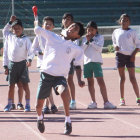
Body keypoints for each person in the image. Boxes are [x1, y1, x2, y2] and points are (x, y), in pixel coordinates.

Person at [34, 19, 85, 135]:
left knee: (63, 91)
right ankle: (40, 118)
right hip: (46, 74)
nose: (72, 27)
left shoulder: (76, 49)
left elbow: (78, 65)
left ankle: (68, 120)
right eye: (72, 25)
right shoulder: (53, 36)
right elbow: (39, 30)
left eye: (75, 28)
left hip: (60, 77)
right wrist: (36, 26)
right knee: (38, 105)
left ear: (77, 36)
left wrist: (79, 79)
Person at [81, 21, 117, 109]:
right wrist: (87, 41)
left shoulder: (100, 37)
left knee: (101, 81)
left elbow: (99, 48)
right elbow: (82, 50)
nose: (90, 32)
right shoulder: (85, 39)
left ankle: (106, 102)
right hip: (86, 62)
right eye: (88, 30)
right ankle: (93, 102)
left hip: (96, 62)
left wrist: (91, 40)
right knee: (90, 82)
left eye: (92, 30)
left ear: (96, 30)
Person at [2, 15, 33, 112]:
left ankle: (25, 104)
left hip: (22, 65)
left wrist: (30, 59)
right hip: (12, 65)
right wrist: (5, 65)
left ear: (22, 29)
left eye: (18, 28)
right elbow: (4, 31)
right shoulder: (9, 37)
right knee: (11, 86)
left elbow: (31, 51)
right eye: (14, 28)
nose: (17, 30)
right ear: (12, 29)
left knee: (23, 86)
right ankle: (9, 104)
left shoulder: (26, 39)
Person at [112, 13, 140, 106]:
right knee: (122, 78)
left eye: (127, 20)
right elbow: (114, 42)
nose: (124, 22)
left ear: (129, 22)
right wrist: (115, 46)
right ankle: (122, 99)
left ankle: (138, 98)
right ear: (120, 21)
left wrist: (133, 55)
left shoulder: (132, 32)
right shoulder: (116, 31)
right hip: (120, 56)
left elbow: (138, 46)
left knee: (132, 78)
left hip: (130, 56)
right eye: (123, 20)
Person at [32, 16, 58, 114]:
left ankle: (47, 106)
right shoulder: (38, 36)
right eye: (46, 24)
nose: (47, 25)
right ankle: (52, 105)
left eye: (49, 24)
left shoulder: (55, 37)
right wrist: (40, 53)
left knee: (49, 85)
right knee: (47, 84)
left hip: (52, 64)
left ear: (53, 27)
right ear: (42, 25)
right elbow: (32, 49)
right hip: (42, 64)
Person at [60, 13, 78, 110]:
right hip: (61, 60)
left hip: (70, 59)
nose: (67, 21)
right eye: (65, 19)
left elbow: (75, 46)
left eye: (69, 19)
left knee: (70, 80)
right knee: (63, 82)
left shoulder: (74, 33)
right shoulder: (61, 32)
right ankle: (66, 101)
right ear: (62, 21)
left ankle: (73, 102)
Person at [3, 40, 24, 110]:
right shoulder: (8, 40)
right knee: (11, 86)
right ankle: (11, 103)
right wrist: (5, 66)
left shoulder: (21, 40)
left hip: (20, 65)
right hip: (11, 66)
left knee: (20, 85)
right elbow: (5, 55)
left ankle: (20, 103)